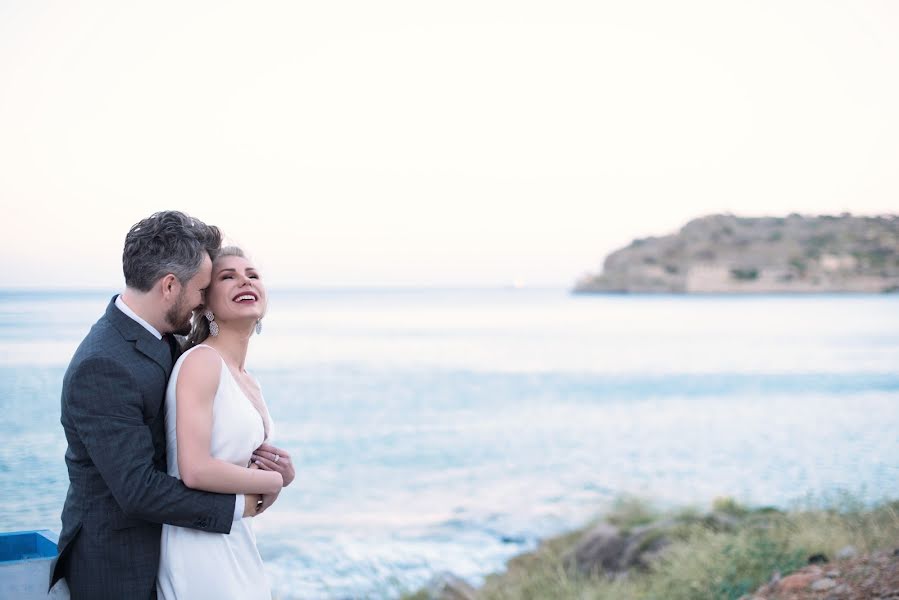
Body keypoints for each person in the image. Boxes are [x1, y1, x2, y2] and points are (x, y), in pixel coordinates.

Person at [51, 211, 290, 599]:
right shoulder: (103, 364)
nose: (199, 304)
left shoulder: (168, 343)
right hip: (119, 568)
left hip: (190, 546)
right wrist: (245, 502)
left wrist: (269, 473)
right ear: (169, 287)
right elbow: (138, 489)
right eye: (201, 290)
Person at [157, 246, 293, 599]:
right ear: (205, 302)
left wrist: (279, 473)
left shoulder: (248, 379)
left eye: (252, 275)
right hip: (197, 549)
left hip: (236, 538)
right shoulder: (201, 362)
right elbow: (196, 469)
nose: (244, 280)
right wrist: (271, 481)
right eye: (227, 276)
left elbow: (238, 467)